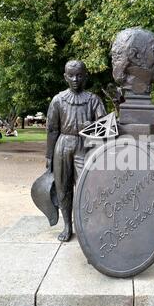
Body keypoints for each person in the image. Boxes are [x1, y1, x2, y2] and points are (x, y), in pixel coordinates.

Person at [46, 60, 106, 241]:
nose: (75, 79)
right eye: (71, 75)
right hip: (63, 145)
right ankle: (67, 225)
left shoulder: (93, 100)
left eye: (79, 75)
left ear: (85, 76)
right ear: (65, 77)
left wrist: (93, 126)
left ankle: (84, 224)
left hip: (85, 146)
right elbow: (52, 129)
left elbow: (105, 127)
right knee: (63, 187)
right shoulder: (58, 100)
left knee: (85, 186)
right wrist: (49, 156)